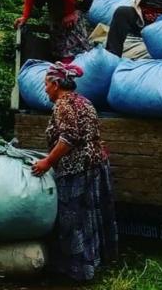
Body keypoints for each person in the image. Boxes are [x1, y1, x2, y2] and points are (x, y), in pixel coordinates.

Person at [31, 62, 117, 282]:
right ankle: (95, 261)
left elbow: (68, 139)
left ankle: (76, 270)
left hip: (76, 169)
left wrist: (47, 162)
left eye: (47, 85)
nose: (45, 89)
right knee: (90, 215)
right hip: (95, 164)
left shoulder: (63, 105)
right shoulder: (84, 101)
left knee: (72, 219)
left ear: (56, 84)